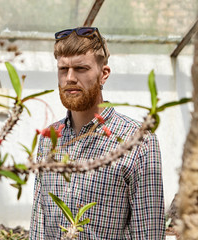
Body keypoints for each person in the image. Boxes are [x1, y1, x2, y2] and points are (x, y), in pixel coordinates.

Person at [29, 27, 165, 239]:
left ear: (104, 74)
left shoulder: (138, 141)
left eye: (81, 68)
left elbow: (148, 232)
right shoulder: (49, 138)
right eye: (63, 69)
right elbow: (39, 222)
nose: (70, 78)